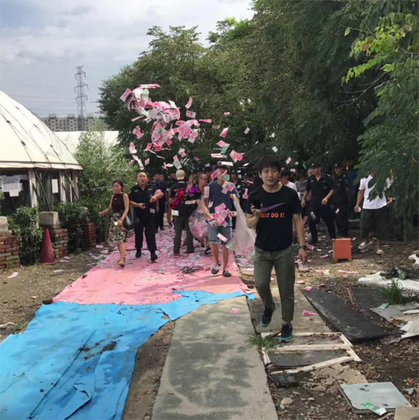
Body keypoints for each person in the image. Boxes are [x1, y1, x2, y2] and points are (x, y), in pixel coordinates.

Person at [246, 156, 307, 342]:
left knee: (286, 289)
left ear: (279, 173)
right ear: (260, 174)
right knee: (261, 284)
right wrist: (257, 216)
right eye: (266, 171)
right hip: (263, 250)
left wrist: (302, 247)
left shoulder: (289, 195)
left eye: (273, 171)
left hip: (284, 250)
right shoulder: (255, 195)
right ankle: (269, 305)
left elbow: (297, 220)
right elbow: (249, 223)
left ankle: (286, 323)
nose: (270, 175)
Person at [202, 163, 239, 277]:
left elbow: (237, 199)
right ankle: (217, 264)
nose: (222, 175)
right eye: (219, 172)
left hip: (226, 219)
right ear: (215, 174)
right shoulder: (210, 186)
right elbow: (204, 200)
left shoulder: (230, 185)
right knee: (213, 242)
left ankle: (225, 268)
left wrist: (234, 198)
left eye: (224, 173)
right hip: (213, 219)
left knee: (226, 243)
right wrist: (206, 211)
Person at [129, 172, 163, 262]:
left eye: (144, 176)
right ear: (137, 179)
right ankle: (138, 249)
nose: (142, 178)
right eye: (140, 176)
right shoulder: (134, 189)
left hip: (150, 215)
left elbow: (161, 194)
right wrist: (137, 204)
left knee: (150, 234)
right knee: (138, 234)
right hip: (138, 215)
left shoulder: (152, 187)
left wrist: (155, 196)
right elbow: (130, 201)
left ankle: (152, 252)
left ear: (147, 178)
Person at [355, 173, 392, 254]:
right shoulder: (364, 178)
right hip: (367, 206)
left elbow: (388, 189)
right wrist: (357, 204)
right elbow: (361, 191)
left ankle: (378, 247)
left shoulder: (383, 177)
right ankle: (367, 240)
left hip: (380, 205)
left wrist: (389, 198)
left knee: (380, 227)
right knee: (364, 227)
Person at [301, 163, 336, 244]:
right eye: (312, 168)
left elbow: (332, 189)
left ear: (319, 168)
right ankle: (314, 238)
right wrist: (303, 199)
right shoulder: (311, 179)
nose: (313, 170)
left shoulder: (326, 178)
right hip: (314, 204)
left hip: (324, 203)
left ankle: (333, 237)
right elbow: (307, 190)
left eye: (315, 168)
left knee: (328, 220)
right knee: (311, 219)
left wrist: (327, 198)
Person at [98, 180, 130, 267]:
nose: (115, 188)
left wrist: (122, 219)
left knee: (121, 239)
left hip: (121, 218)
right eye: (114, 186)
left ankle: (122, 259)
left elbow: (127, 208)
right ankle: (122, 257)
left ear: (121, 187)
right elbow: (110, 208)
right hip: (114, 219)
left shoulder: (124, 195)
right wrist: (102, 212)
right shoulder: (113, 196)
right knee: (117, 239)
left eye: (117, 186)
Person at [170, 170, 199, 255]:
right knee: (189, 231)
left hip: (177, 211)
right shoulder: (189, 187)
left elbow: (171, 201)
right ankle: (190, 248)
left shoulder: (173, 187)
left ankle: (176, 249)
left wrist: (173, 214)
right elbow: (194, 197)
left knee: (177, 231)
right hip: (188, 211)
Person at [333, 163, 349, 237]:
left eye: (338, 168)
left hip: (342, 199)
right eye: (335, 168)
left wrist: (346, 197)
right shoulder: (335, 177)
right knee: (337, 215)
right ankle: (339, 230)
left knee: (342, 215)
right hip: (336, 199)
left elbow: (347, 188)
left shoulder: (344, 177)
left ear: (341, 168)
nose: (336, 170)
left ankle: (344, 231)